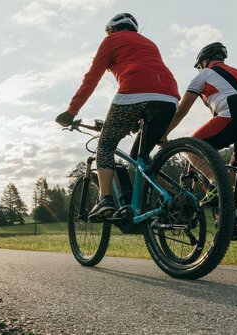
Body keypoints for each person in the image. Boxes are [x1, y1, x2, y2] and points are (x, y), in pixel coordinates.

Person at [55, 13, 180, 220]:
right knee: (141, 158)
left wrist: (71, 112)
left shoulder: (111, 40)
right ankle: (173, 195)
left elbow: (91, 79)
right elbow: (150, 76)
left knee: (105, 145)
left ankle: (105, 200)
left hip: (134, 93)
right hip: (169, 97)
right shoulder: (149, 43)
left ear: (111, 29)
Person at [161, 42, 237, 207]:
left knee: (190, 147)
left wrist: (163, 133)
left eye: (199, 66)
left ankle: (216, 185)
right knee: (236, 175)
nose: (199, 70)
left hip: (235, 116)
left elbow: (181, 112)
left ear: (204, 62)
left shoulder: (204, 74)